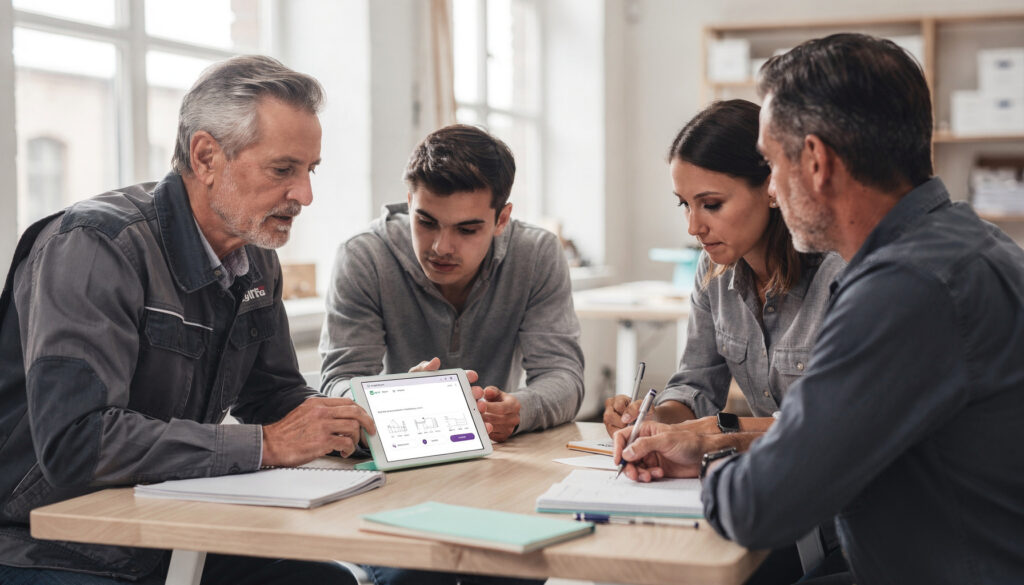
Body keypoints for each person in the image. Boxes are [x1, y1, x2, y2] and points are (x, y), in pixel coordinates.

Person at [615, 33, 1024, 585]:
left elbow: (761, 504)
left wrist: (710, 453)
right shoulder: (969, 244)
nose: (775, 191)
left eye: (770, 162)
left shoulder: (901, 288)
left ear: (815, 162)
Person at [0, 56, 377, 585]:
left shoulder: (255, 256)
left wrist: (368, 420)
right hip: (43, 542)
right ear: (206, 157)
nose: (304, 196)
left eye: (309, 171)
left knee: (330, 581)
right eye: (282, 169)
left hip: (162, 524)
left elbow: (275, 397)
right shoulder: (93, 246)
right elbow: (76, 441)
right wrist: (266, 445)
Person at [603, 99, 844, 583]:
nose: (694, 227)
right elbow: (695, 382)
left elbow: (826, 430)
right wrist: (656, 422)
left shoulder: (839, 273)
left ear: (772, 188)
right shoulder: (712, 271)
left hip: (841, 516)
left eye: (711, 204)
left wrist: (712, 434)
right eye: (685, 205)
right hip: (770, 499)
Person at [319, 124, 584, 444]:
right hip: (403, 451)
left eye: (467, 229)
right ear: (409, 202)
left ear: (502, 219)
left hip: (500, 456)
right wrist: (392, 399)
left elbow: (564, 377)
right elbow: (338, 382)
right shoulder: (363, 256)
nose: (442, 247)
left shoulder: (536, 253)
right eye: (426, 222)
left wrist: (519, 410)